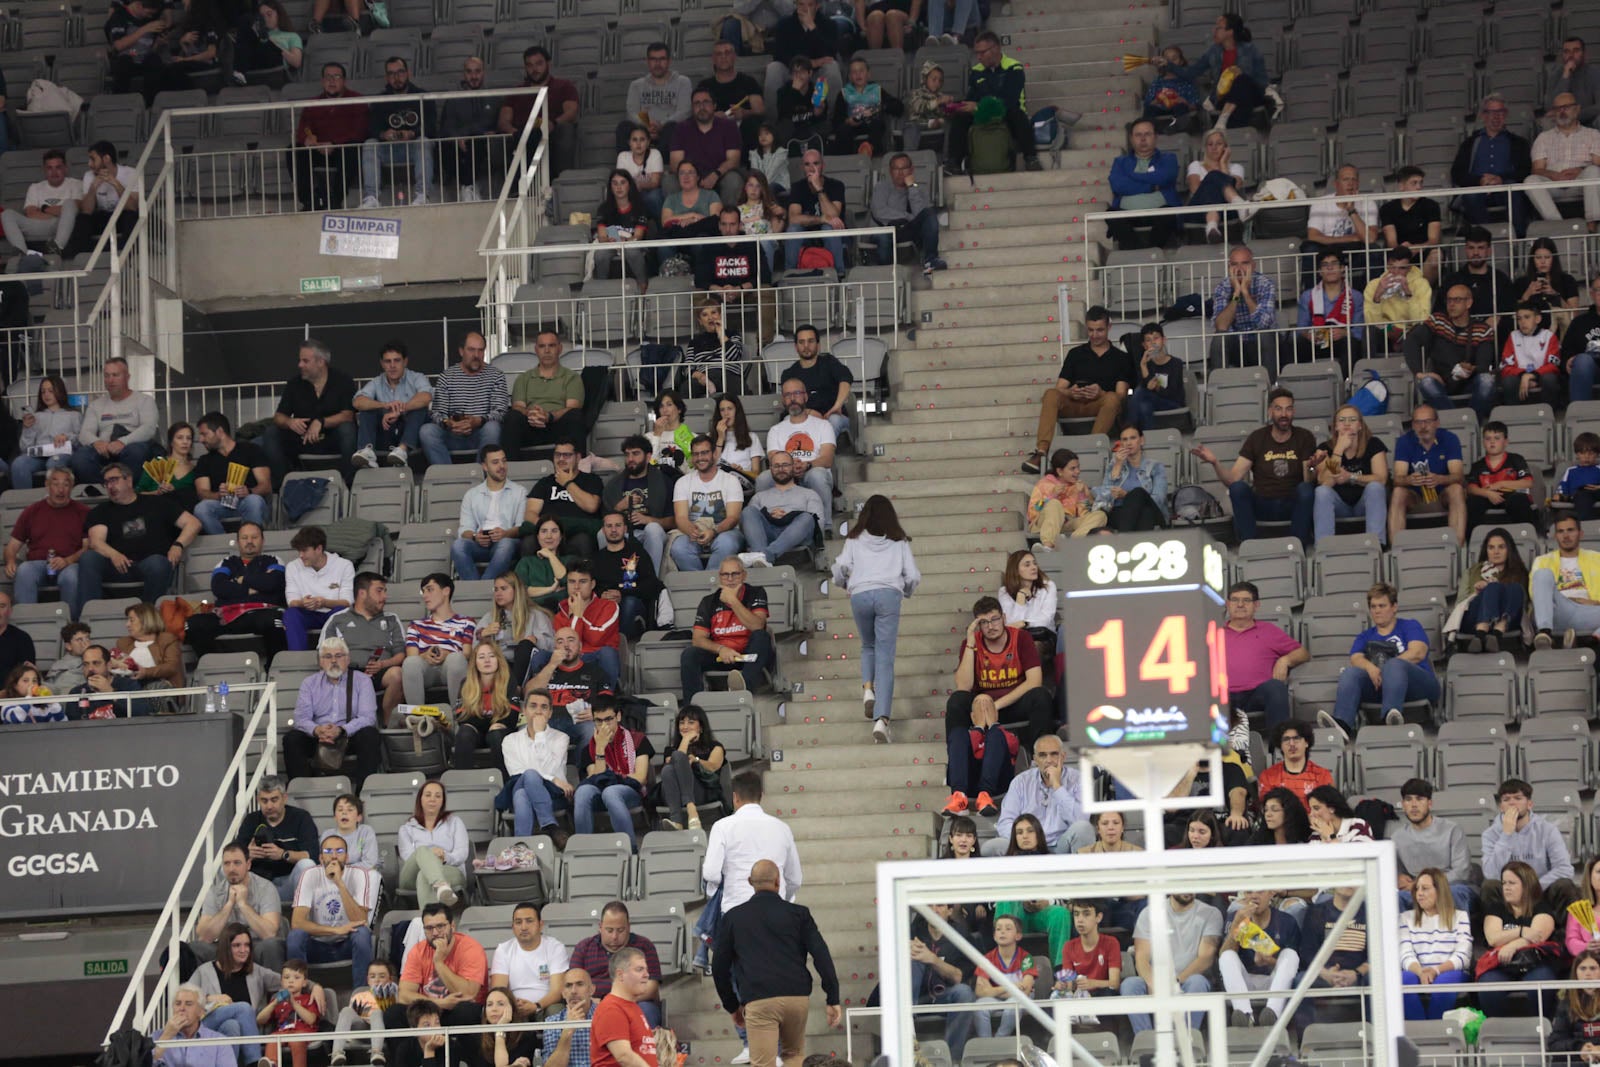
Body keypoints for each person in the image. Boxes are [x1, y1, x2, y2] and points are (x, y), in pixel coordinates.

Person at [713, 858, 840, 1067]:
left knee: (763, 1063)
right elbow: (821, 954)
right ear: (778, 882)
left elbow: (719, 967)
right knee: (794, 1056)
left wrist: (732, 1006)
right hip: (797, 998)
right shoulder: (799, 914)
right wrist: (832, 996)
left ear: (750, 882)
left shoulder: (733, 918)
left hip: (759, 1000)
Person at [830, 494, 919, 742]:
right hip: (889, 593)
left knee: (868, 645)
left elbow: (840, 567)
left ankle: (868, 689)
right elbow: (912, 575)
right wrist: (906, 592)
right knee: (886, 658)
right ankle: (882, 719)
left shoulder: (854, 539)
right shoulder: (899, 541)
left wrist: (845, 584)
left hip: (860, 594)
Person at [699, 769, 802, 970]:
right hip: (775, 912)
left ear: (735, 797)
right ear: (761, 796)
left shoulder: (722, 826)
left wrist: (716, 893)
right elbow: (795, 879)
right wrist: (782, 898)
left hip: (735, 914)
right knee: (772, 973)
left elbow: (710, 873)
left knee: (741, 975)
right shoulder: (782, 828)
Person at [1192, 388, 1321, 545]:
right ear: (1270, 412)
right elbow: (1232, 480)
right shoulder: (1257, 438)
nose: (1284, 414)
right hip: (1263, 504)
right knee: (1238, 488)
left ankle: (1299, 544)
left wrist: (1312, 467)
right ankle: (1249, 545)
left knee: (1306, 489)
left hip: (1291, 503)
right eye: (1278, 409)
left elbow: (1308, 481)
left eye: (1288, 409)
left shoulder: (1304, 437)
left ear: (1293, 412)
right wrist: (1215, 463)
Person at [77, 462, 202, 617]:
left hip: (149, 564)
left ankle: (147, 617)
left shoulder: (157, 503)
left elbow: (193, 523)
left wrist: (178, 545)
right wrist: (113, 554)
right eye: (107, 482)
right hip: (118, 567)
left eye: (114, 480)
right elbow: (96, 542)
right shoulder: (101, 512)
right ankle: (89, 617)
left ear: (128, 480)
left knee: (158, 563)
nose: (110, 486)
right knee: (89, 557)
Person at [1022, 308, 1133, 476]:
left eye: (1100, 330)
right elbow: (1059, 387)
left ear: (1109, 327)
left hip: (1100, 405)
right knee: (1051, 394)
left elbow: (1121, 395)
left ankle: (1091, 447)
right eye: (1091, 330)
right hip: (1075, 403)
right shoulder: (1075, 354)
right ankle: (1041, 452)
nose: (1095, 335)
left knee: (1111, 399)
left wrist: (1100, 393)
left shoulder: (1121, 358)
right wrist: (1070, 393)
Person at [1326, 581, 1439, 738]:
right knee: (1350, 673)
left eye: (1382, 606)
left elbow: (1417, 652)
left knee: (1395, 665)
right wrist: (1371, 668)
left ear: (1394, 607)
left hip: (1417, 686)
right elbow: (1355, 658)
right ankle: (1343, 726)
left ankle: (1390, 719)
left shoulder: (1409, 626)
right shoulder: (1365, 636)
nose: (1377, 611)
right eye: (1373, 607)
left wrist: (1388, 668)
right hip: (1381, 686)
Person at [947, 596, 1055, 746]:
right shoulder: (970, 643)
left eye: (995, 619)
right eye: (984, 622)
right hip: (982, 709)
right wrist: (970, 644)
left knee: (1041, 695)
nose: (990, 626)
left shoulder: (1021, 637)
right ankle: (958, 760)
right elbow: (963, 687)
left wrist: (996, 706)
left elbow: (1034, 681)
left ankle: (1039, 756)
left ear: (1004, 618)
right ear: (978, 625)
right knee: (957, 701)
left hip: (1014, 704)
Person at [283, 635, 382, 791]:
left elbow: (368, 717)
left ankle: (363, 793)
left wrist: (342, 730)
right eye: (328, 656)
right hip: (319, 737)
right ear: (321, 662)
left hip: (349, 736)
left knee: (370, 734)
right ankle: (302, 792)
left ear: (347, 659)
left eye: (338, 656)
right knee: (292, 739)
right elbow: (301, 718)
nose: (334, 661)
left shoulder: (362, 680)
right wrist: (317, 730)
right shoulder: (309, 683)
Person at [260, 338, 359, 487]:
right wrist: (289, 422)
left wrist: (321, 422)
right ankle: (283, 486)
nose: (300, 365)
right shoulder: (294, 383)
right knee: (271, 433)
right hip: (302, 438)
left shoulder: (343, 380)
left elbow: (348, 415)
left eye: (305, 361)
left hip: (332, 439)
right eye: (300, 361)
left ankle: (349, 484)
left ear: (321, 362)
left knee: (348, 429)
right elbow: (279, 416)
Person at [287, 830, 378, 990]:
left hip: (346, 944)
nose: (334, 856)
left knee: (362, 934)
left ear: (347, 858)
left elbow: (360, 920)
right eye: (328, 852)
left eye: (339, 851)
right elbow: (297, 923)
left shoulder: (359, 875)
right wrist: (335, 930)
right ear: (321, 858)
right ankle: (299, 994)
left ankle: (361, 994)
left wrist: (339, 883)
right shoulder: (309, 874)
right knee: (295, 936)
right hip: (316, 945)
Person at [1120, 893, 1223, 1033]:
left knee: (1198, 982)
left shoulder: (1211, 913)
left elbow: (1206, 959)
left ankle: (1187, 1041)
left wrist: (1174, 982)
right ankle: (1146, 1041)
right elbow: (1141, 958)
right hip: (1156, 981)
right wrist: (1154, 983)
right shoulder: (1149, 913)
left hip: (1189, 980)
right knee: (1130, 985)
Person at [945, 32, 1040, 174]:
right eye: (977, 53)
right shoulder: (977, 71)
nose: (978, 57)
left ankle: (1031, 157)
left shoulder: (1014, 68)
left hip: (1007, 113)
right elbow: (972, 97)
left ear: (995, 49)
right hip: (982, 114)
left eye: (982, 52)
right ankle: (954, 163)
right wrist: (958, 105)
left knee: (1018, 115)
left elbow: (1009, 100)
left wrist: (978, 106)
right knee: (960, 117)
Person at [1476, 859, 1562, 1018]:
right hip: (1501, 964)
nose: (1506, 887)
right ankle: (1497, 1033)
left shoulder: (1541, 907)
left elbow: (1538, 936)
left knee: (1542, 983)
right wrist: (1521, 931)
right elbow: (1493, 939)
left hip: (1535, 963)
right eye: (1504, 883)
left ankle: (1540, 1030)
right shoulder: (1497, 908)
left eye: (1512, 883)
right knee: (1488, 986)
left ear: (1526, 885)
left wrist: (1511, 945)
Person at [681, 556, 773, 701]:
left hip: (748, 657)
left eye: (735, 574)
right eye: (725, 575)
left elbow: (757, 626)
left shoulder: (756, 592)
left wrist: (733, 601)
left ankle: (743, 688)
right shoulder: (708, 601)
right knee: (689, 654)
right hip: (721, 656)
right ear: (720, 577)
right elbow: (698, 639)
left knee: (761, 636)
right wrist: (721, 649)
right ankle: (693, 707)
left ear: (744, 575)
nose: (730, 579)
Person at [984, 733, 1092, 856]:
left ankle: (1079, 875)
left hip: (1060, 845)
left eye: (1054, 754)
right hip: (1026, 847)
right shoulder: (1021, 782)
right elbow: (1005, 822)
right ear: (1035, 760)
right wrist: (1027, 838)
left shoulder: (1079, 779)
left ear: (1063, 756)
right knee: (991, 847)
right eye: (1042, 755)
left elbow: (1080, 820)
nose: (1049, 760)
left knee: (1083, 828)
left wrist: (1057, 786)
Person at [386, 903, 488, 1031]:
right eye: (429, 928)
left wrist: (439, 963)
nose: (435, 933)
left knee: (466, 1009)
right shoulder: (418, 951)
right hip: (429, 1011)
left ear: (452, 926)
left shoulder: (470, 949)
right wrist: (439, 1003)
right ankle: (412, 1051)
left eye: (440, 926)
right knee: (394, 1013)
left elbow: (468, 994)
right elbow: (404, 995)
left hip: (459, 1012)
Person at [1482, 777, 1579, 911]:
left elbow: (1564, 869)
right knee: (1489, 887)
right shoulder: (1490, 834)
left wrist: (1533, 887)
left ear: (1529, 804)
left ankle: (1564, 932)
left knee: (1565, 885)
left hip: (1541, 890)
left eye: (1518, 798)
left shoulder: (1547, 830)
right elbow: (1491, 874)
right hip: (1508, 893)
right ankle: (1495, 931)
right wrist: (1506, 836)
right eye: (1506, 799)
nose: (1512, 803)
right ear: (1500, 807)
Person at [321, 571, 408, 719]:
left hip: (380, 671)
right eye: (379, 591)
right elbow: (324, 655)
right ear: (362, 593)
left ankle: (388, 724)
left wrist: (383, 664)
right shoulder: (337, 619)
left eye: (385, 591)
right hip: (348, 673)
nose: (384, 597)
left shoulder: (391, 619)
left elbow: (401, 654)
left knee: (397, 675)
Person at [1221, 581, 1307, 730]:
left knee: (1276, 687)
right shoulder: (1215, 633)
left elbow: (1303, 653)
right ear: (1228, 604)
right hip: (1224, 695)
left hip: (1256, 694)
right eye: (1235, 600)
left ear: (1256, 605)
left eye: (1246, 600)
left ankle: (1279, 745)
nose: (1240, 605)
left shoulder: (1268, 631)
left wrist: (1285, 660)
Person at [1160, 13, 1270, 129]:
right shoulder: (1213, 52)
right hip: (1225, 98)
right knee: (1235, 106)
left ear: (1230, 32)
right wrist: (1169, 65)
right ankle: (1228, 128)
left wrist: (1242, 79)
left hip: (1251, 96)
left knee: (1241, 79)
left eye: (1218, 28)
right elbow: (1191, 72)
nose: (1214, 31)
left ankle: (1222, 121)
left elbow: (1262, 82)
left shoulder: (1250, 50)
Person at [1405, 285, 1498, 421]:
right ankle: (1456, 422)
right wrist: (1419, 372)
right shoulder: (1438, 321)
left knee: (1487, 380)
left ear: (1469, 303)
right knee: (1425, 382)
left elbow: (1483, 365)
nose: (1451, 304)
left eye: (1457, 300)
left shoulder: (1482, 330)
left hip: (1469, 383)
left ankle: (1471, 422)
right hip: (1441, 381)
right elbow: (1411, 341)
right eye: (1449, 300)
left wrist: (1470, 370)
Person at [191, 925, 277, 1064]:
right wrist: (209, 998)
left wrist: (314, 987)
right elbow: (183, 997)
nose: (243, 950)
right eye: (237, 945)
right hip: (206, 1025)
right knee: (243, 1008)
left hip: (230, 1032)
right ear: (226, 947)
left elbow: (288, 980)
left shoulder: (256, 972)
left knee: (232, 1025)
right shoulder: (204, 971)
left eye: (247, 945)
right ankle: (254, 1062)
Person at [573, 703, 654, 849]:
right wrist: (600, 749)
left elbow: (641, 778)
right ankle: (582, 850)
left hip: (630, 792)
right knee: (583, 792)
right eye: (599, 721)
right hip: (600, 794)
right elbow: (595, 780)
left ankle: (630, 849)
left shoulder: (638, 739)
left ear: (618, 716)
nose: (604, 725)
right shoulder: (589, 749)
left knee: (611, 792)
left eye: (608, 719)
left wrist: (616, 779)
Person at [570, 903, 665, 1026]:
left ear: (629, 927)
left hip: (635, 1002)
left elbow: (651, 987)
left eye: (621, 930)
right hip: (593, 1005)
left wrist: (615, 1001)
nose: (614, 937)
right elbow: (573, 985)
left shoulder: (644, 946)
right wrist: (589, 1001)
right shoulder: (584, 948)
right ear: (600, 927)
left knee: (645, 1011)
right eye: (609, 930)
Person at [71, 356, 160, 487]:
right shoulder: (96, 405)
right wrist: (96, 442)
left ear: (127, 377)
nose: (110, 380)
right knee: (80, 458)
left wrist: (123, 442)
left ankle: (128, 491)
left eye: (115, 375)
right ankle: (105, 489)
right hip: (104, 449)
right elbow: (85, 433)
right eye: (107, 376)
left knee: (136, 452)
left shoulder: (144, 401)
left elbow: (149, 428)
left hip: (131, 445)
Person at [422, 332, 509, 467]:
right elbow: (437, 413)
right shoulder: (447, 376)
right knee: (427, 431)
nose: (476, 355)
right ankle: (448, 478)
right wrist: (449, 423)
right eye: (471, 350)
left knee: (493, 428)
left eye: (480, 350)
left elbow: (501, 412)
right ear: (461, 351)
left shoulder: (496, 376)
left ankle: (481, 475)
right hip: (452, 434)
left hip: (481, 434)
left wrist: (477, 421)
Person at [5, 467, 86, 608]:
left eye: (66, 484)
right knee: (24, 570)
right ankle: (26, 621)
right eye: (55, 484)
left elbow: (88, 547)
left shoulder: (83, 512)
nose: (61, 489)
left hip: (70, 563)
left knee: (72, 577)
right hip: (39, 563)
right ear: (47, 485)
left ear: (72, 487)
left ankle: (71, 623)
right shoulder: (32, 511)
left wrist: (67, 560)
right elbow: (12, 546)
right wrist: (10, 560)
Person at [1397, 868, 1472, 1021]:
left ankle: (1436, 1031)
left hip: (1449, 971)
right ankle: (1420, 1032)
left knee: (1444, 983)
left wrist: (1436, 970)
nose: (1419, 893)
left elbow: (1463, 956)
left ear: (1440, 891)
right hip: (1418, 971)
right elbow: (1405, 954)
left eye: (1425, 888)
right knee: (1404, 979)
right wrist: (1421, 972)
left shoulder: (1460, 916)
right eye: (1417, 888)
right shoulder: (1405, 918)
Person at [1451, 94, 1531, 236]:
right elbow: (1457, 173)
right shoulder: (1470, 143)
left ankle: (1518, 242)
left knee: (1515, 194)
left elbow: (1525, 171)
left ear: (1505, 115)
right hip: (1478, 189)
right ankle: (1486, 239)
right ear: (1483, 115)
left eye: (1500, 112)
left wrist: (1500, 179)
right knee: (1470, 196)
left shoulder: (1518, 142)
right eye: (1491, 112)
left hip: (1506, 187)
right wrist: (1480, 180)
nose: (1495, 117)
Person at [1219, 890, 1301, 1028]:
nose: (1254, 896)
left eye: (1260, 892)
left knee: (1290, 954)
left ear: (1271, 894)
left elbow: (1296, 965)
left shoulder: (1286, 920)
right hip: (1244, 984)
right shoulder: (1236, 917)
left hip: (1274, 982)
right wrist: (1236, 926)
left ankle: (1272, 1014)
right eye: (1250, 892)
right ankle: (1244, 1015)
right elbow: (1223, 955)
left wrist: (1270, 962)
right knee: (1227, 956)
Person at [195, 842, 286, 967]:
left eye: (237, 863)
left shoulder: (265, 888)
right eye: (227, 863)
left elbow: (269, 933)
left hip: (256, 944)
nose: (231, 869)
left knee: (272, 946)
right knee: (196, 948)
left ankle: (274, 987)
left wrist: (243, 904)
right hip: (226, 946)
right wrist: (229, 904)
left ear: (248, 864)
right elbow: (204, 936)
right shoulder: (215, 892)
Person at [521, 627, 612, 752]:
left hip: (580, 720)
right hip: (546, 719)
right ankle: (534, 771)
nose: (566, 645)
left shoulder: (595, 671)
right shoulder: (546, 669)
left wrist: (596, 712)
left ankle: (586, 770)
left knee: (592, 730)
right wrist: (552, 664)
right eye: (560, 642)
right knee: (524, 730)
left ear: (580, 646)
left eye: (570, 640)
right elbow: (528, 693)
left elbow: (608, 700)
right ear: (554, 648)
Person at [358, 56, 433, 208]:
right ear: (386, 77)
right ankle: (371, 197)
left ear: (408, 73)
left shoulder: (422, 96)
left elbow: (432, 128)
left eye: (400, 72)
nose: (396, 77)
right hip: (389, 148)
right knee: (370, 144)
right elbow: (371, 129)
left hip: (413, 147)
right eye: (391, 74)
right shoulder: (379, 100)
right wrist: (383, 134)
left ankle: (422, 195)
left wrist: (412, 133)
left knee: (423, 141)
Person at [1388, 405, 1469, 545]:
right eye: (1418, 422)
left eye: (1428, 421)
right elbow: (1397, 479)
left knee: (1456, 489)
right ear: (1413, 425)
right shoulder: (1404, 441)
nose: (1423, 426)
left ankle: (1458, 547)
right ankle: (1397, 547)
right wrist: (1409, 479)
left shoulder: (1450, 439)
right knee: (1398, 492)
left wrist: (1440, 479)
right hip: (1416, 497)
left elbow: (1458, 476)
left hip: (1442, 495)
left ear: (1437, 423)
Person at [502, 688, 573, 847]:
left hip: (553, 794)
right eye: (533, 706)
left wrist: (540, 735)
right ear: (524, 710)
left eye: (544, 707)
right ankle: (550, 825)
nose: (539, 712)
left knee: (522, 795)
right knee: (527, 777)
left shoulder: (561, 738)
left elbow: (551, 767)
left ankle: (521, 848)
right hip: (524, 782)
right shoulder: (509, 740)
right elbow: (517, 774)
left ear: (550, 713)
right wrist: (553, 778)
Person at [1392, 779, 1475, 912]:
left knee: (1456, 893)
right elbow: (1395, 872)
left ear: (1429, 803)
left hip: (1449, 887)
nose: (1414, 805)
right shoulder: (1397, 837)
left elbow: (1461, 872)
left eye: (1419, 799)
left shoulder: (1452, 829)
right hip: (1416, 890)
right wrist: (1398, 877)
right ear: (1403, 805)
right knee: (1394, 898)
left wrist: (1426, 885)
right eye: (1408, 800)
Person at [294, 63, 367, 211]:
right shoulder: (313, 103)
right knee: (295, 150)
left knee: (351, 148)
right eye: (328, 77)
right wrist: (308, 140)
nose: (332, 81)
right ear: (322, 81)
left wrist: (334, 143)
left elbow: (361, 131)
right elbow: (303, 129)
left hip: (342, 149)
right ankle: (309, 201)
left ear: (344, 81)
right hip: (319, 149)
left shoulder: (356, 100)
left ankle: (336, 199)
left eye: (336, 77)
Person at [234, 776, 319, 903]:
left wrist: (283, 854)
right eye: (264, 801)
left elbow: (312, 855)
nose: (269, 806)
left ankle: (301, 915)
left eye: (274, 800)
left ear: (284, 798)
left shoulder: (301, 817)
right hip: (258, 884)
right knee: (229, 866)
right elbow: (234, 853)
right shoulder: (251, 820)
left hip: (289, 883)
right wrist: (247, 854)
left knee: (307, 865)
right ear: (258, 800)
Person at [499, 46, 579, 178]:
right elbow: (503, 120)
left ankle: (553, 181)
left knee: (563, 130)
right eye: (529, 65)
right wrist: (514, 132)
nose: (534, 69)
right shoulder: (517, 91)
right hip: (522, 135)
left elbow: (571, 112)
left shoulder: (564, 86)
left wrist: (553, 123)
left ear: (548, 64)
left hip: (551, 133)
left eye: (539, 64)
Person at [505, 329, 586, 457]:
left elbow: (573, 407)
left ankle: (580, 468)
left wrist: (549, 416)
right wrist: (532, 414)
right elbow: (517, 406)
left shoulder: (572, 377)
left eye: (551, 346)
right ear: (536, 349)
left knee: (575, 416)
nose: (547, 351)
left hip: (558, 427)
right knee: (512, 417)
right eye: (542, 346)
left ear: (560, 348)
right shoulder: (523, 378)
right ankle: (510, 469)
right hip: (530, 426)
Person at [352, 340, 432, 469]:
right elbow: (358, 402)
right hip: (387, 430)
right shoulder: (377, 382)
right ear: (382, 363)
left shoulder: (416, 377)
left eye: (397, 360)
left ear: (405, 362)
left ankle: (402, 450)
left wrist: (400, 409)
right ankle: (367, 452)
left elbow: (426, 397)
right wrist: (385, 405)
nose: (392, 365)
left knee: (419, 409)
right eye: (388, 361)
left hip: (410, 431)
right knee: (367, 409)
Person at [189, 412, 272, 536]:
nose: (200, 439)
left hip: (247, 501)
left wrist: (248, 491)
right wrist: (218, 494)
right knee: (201, 508)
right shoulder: (204, 460)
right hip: (221, 504)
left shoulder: (251, 450)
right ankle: (224, 544)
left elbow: (266, 486)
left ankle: (248, 542)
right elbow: (202, 493)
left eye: (204, 434)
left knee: (254, 501)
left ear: (220, 432)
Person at [1314, 404, 1388, 544]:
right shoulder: (1325, 448)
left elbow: (1381, 479)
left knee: (1375, 487)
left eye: (1352, 419)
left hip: (1364, 503)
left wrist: (1350, 477)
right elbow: (1326, 482)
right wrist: (1338, 450)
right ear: (1335, 426)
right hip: (1339, 505)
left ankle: (1377, 543)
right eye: (1342, 420)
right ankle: (1324, 545)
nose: (1347, 424)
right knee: (1321, 492)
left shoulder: (1373, 444)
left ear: (1360, 425)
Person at [401, 573, 477, 709]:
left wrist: (447, 654)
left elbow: (467, 653)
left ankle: (460, 713)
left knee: (457, 658)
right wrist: (425, 655)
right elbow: (411, 655)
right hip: (425, 669)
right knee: (411, 663)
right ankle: (417, 717)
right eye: (423, 591)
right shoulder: (416, 624)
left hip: (452, 667)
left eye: (430, 590)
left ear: (446, 591)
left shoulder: (466, 622)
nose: (425, 596)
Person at [672, 434, 746, 572]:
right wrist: (692, 531)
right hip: (694, 532)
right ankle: (699, 584)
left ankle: (712, 583)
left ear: (714, 454)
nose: (700, 458)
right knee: (678, 547)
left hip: (725, 532)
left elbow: (733, 518)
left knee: (726, 543)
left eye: (704, 453)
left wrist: (714, 531)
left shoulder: (730, 480)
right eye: (696, 454)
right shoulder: (682, 482)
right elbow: (681, 518)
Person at [453, 445, 527, 582]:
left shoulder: (520, 492)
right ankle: (475, 590)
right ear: (485, 467)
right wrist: (475, 536)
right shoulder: (472, 494)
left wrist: (505, 534)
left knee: (506, 544)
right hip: (480, 543)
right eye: (495, 462)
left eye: (504, 461)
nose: (501, 466)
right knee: (458, 546)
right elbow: (464, 530)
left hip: (506, 542)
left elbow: (521, 527)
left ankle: (484, 590)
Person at [603, 435, 676, 572]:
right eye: (627, 454)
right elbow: (604, 518)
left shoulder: (663, 481)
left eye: (636, 454)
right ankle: (611, 576)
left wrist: (649, 520)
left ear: (648, 457)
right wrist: (619, 507)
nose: (630, 459)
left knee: (652, 529)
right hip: (624, 531)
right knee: (602, 533)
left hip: (654, 533)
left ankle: (650, 577)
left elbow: (673, 521)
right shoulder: (613, 485)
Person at [1525, 93, 1600, 224]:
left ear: (1577, 109)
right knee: (1530, 180)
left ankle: (1593, 221)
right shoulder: (1543, 137)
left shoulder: (1593, 134)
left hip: (1581, 181)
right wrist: (1553, 175)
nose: (1562, 112)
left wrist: (1580, 170)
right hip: (1553, 183)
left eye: (1566, 107)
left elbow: (1597, 164)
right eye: (1558, 108)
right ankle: (1558, 225)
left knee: (1593, 170)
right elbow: (1537, 169)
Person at [1296, 886, 1369, 1021]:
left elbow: (1375, 956)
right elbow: (1307, 952)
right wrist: (1325, 973)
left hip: (1359, 976)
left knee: (1375, 980)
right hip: (1323, 974)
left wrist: (1356, 973)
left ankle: (1376, 1037)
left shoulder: (1370, 913)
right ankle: (1306, 1039)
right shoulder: (1316, 912)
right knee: (1301, 980)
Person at [1106, 118, 1180, 249]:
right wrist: (1152, 186)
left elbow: (1165, 178)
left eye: (1147, 134)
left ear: (1155, 137)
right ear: (1131, 139)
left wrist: (1132, 177)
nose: (1143, 139)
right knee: (1110, 214)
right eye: (1138, 135)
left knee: (1168, 213)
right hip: (1128, 214)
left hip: (1159, 212)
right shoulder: (1120, 162)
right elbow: (1118, 185)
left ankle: (1152, 250)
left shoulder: (1168, 159)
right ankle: (1138, 251)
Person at [740, 450, 824, 565]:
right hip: (768, 532)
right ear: (771, 469)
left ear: (793, 466)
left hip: (796, 534)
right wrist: (770, 516)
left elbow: (818, 525)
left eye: (785, 465)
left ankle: (765, 556)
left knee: (808, 518)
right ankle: (761, 557)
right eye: (776, 466)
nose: (781, 469)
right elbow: (751, 526)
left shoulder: (809, 494)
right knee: (748, 511)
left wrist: (789, 517)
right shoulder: (759, 496)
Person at [436, 56, 500, 204]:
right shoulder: (453, 99)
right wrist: (458, 137)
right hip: (457, 146)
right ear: (464, 74)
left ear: (483, 72)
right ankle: (469, 186)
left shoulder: (494, 97)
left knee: (476, 140)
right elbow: (447, 126)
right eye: (469, 72)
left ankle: (467, 186)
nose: (474, 76)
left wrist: (471, 134)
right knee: (447, 146)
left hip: (483, 145)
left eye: (477, 71)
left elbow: (495, 123)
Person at [488, 902, 570, 1019]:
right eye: (518, 922)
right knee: (504, 1011)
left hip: (546, 1006)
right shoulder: (503, 950)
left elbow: (557, 991)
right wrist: (515, 1006)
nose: (524, 927)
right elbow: (499, 990)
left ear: (540, 925)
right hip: (515, 1007)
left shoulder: (555, 947)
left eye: (529, 921)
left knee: (556, 1010)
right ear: (513, 927)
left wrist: (536, 1006)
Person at [525, 442, 605, 560]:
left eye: (566, 455)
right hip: (549, 533)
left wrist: (567, 483)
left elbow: (592, 506)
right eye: (557, 455)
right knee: (528, 542)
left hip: (577, 533)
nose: (561, 459)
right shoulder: (545, 483)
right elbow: (530, 513)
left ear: (578, 457)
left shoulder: (591, 480)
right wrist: (547, 530)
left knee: (583, 541)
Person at [1455, 527, 1529, 653]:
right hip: (1474, 617)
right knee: (1492, 587)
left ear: (1509, 550)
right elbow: (1460, 603)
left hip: (1508, 619)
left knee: (1515, 588)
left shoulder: (1519, 572)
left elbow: (1523, 603)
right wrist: (1477, 593)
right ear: (1486, 550)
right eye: (1491, 547)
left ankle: (1495, 633)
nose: (1496, 552)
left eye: (1501, 547)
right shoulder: (1472, 571)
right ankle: (1482, 632)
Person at [669, 87, 745, 209]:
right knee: (669, 181)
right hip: (691, 175)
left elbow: (734, 160)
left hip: (720, 175)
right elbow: (675, 163)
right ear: (692, 108)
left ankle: (727, 222)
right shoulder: (681, 128)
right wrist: (693, 178)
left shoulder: (729, 126)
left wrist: (715, 174)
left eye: (706, 102)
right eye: (697, 103)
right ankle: (677, 223)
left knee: (733, 180)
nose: (701, 107)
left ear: (714, 105)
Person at [283, 526, 354, 653]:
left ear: (319, 549)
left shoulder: (344, 565)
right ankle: (298, 660)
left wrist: (323, 602)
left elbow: (347, 602)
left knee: (342, 612)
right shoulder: (292, 567)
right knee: (291, 614)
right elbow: (292, 601)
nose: (301, 555)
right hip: (307, 614)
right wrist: (303, 603)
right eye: (299, 551)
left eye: (304, 551)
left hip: (332, 612)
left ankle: (331, 656)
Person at [399, 780, 470, 906]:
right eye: (428, 795)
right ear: (420, 799)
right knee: (421, 851)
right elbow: (408, 857)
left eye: (438, 796)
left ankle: (428, 923)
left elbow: (462, 853)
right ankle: (441, 885)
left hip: (449, 869)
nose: (432, 799)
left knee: (424, 876)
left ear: (443, 801)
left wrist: (445, 857)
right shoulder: (406, 828)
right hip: (411, 876)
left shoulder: (455, 822)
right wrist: (430, 855)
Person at [592, 511, 661, 642]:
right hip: (605, 606)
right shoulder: (596, 558)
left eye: (618, 525)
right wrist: (602, 594)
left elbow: (652, 583)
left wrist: (622, 593)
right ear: (603, 530)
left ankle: (620, 644)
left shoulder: (638, 553)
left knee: (629, 602)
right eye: (609, 526)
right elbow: (591, 586)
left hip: (633, 605)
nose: (613, 530)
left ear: (625, 528)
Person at [1303, 165, 1378, 283]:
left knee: (1375, 251)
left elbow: (1371, 238)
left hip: (1355, 250)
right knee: (1310, 249)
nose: (1350, 183)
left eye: (1354, 179)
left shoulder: (1368, 202)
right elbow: (1313, 236)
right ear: (1336, 184)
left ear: (1358, 183)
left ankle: (1371, 295)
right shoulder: (1320, 203)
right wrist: (1351, 238)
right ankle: (1310, 297)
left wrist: (1352, 211)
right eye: (1346, 179)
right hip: (1327, 249)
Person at [870, 153, 943, 273]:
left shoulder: (919, 189)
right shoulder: (882, 187)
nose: (900, 173)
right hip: (885, 228)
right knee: (883, 237)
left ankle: (931, 259)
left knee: (930, 213)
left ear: (911, 170)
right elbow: (879, 211)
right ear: (890, 171)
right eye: (896, 169)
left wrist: (912, 187)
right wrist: (908, 216)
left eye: (904, 168)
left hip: (909, 230)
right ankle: (887, 273)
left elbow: (921, 214)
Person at [764, 0, 841, 114]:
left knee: (832, 66)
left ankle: (832, 118)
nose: (805, 9)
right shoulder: (784, 24)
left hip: (816, 72)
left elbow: (829, 53)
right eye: (801, 4)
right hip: (792, 70)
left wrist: (812, 28)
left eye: (810, 5)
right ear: (796, 5)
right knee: (773, 68)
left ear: (817, 6)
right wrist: (807, 63)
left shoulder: (829, 24)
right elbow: (779, 54)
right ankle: (773, 122)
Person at [480, 571, 554, 688]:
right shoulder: (490, 617)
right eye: (496, 589)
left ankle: (515, 689)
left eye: (503, 588)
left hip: (527, 666)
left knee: (525, 645)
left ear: (516, 590)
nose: (498, 593)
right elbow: (475, 651)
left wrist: (536, 640)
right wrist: (483, 635)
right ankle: (511, 690)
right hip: (501, 665)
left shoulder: (536, 615)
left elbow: (552, 645)